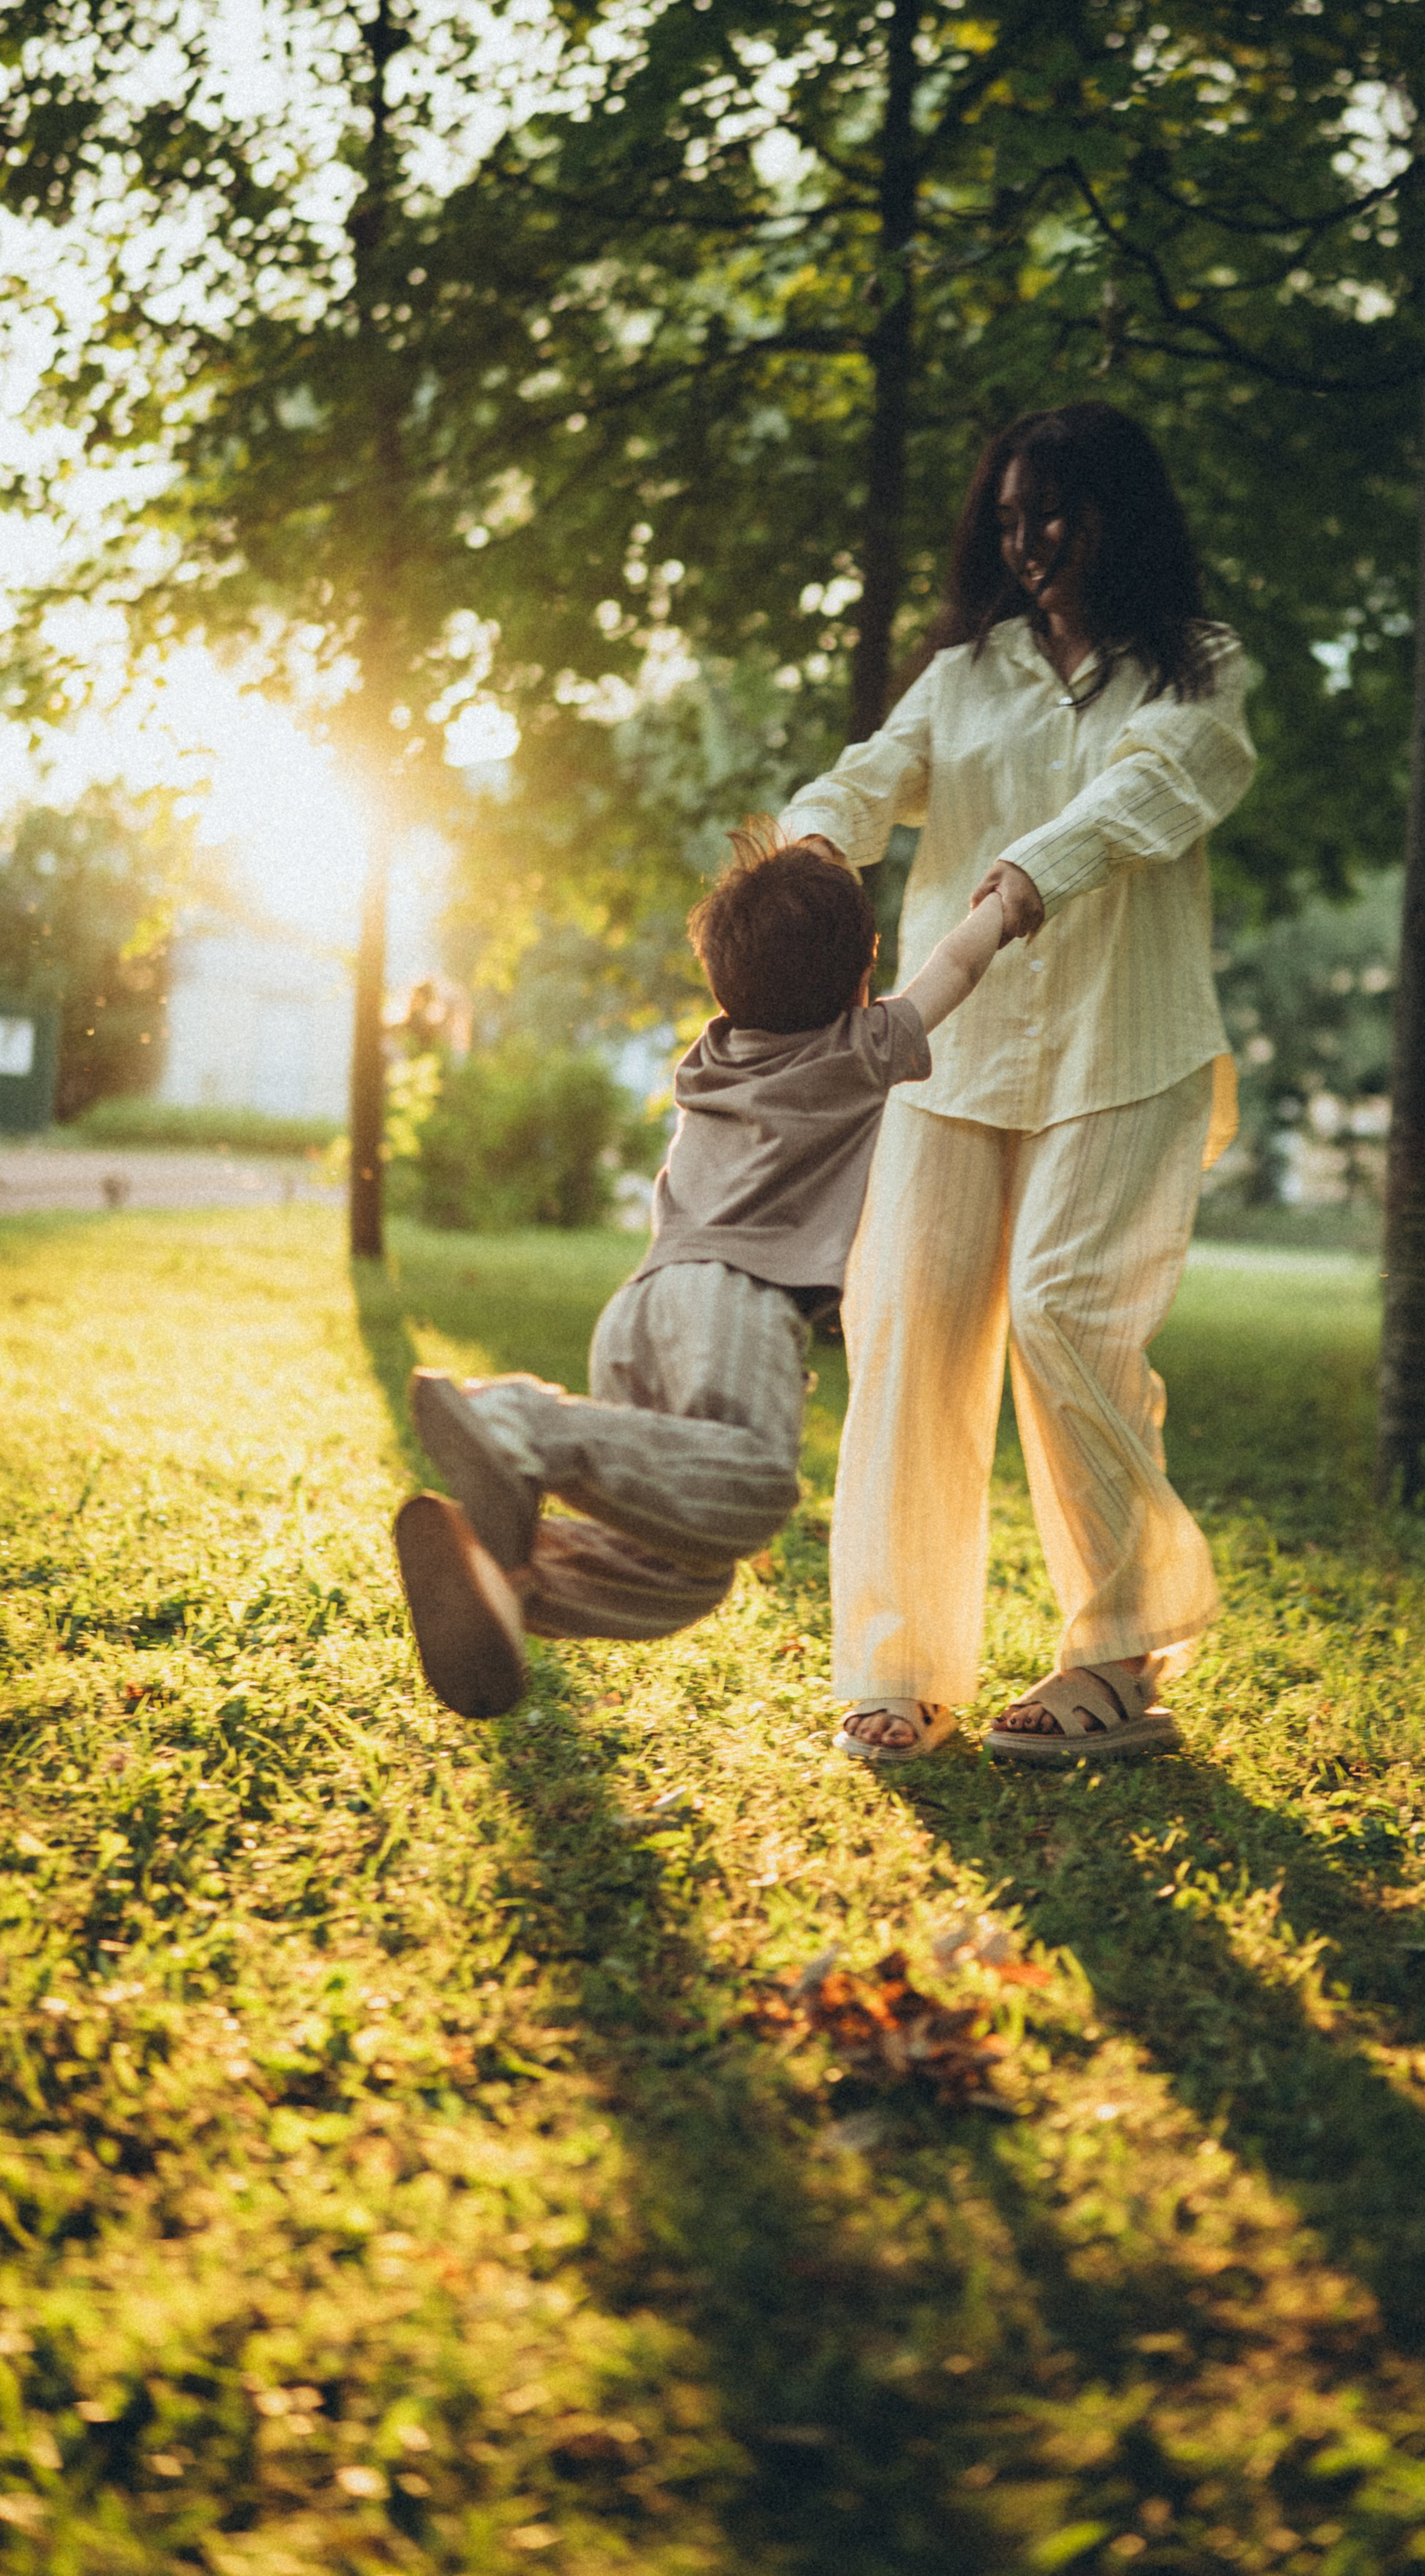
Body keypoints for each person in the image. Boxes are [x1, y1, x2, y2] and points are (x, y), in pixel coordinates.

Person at [780, 400, 1256, 1766]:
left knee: (1062, 1316)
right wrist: (809, 857)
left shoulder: (1202, 671)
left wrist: (1011, 892)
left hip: (1125, 1044)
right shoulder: (968, 670)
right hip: (952, 1055)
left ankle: (1116, 1659)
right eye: (1007, 519)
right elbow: (874, 778)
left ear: (1121, 512)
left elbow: (1147, 798)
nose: (1029, 541)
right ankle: (895, 1670)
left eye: (1054, 511)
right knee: (908, 1330)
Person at [392, 823, 1007, 1725]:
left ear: (726, 979)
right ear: (861, 978)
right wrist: (1000, 910)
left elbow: (788, 965)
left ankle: (508, 1583)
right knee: (753, 1487)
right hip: (737, 1302)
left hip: (642, 1308)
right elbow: (952, 972)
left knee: (684, 1578)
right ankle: (514, 1421)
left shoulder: (710, 1054)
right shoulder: (857, 1051)